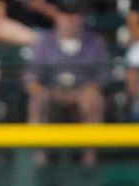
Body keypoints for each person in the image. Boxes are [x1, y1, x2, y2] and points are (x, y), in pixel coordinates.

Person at [24, 0, 109, 164]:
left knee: (93, 99)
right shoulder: (44, 43)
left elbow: (101, 79)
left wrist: (82, 92)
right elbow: (31, 79)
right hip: (52, 94)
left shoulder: (95, 43)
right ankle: (38, 158)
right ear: (58, 15)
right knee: (37, 98)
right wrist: (44, 91)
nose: (71, 19)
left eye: (75, 14)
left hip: (81, 95)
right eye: (66, 13)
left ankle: (89, 160)